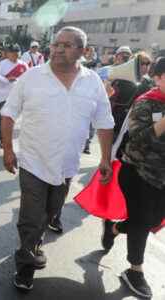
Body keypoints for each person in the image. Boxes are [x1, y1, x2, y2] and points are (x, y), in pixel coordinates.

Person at [0, 26, 115, 291]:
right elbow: (8, 114)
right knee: (31, 214)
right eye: (55, 44)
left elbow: (104, 121)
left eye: (66, 45)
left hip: (66, 166)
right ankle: (26, 264)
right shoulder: (31, 78)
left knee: (50, 212)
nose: (58, 49)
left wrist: (105, 159)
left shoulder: (92, 81)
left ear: (83, 51)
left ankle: (33, 243)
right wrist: (8, 149)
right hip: (33, 161)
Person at [100, 57, 165, 299]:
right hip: (138, 172)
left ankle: (114, 227)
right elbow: (139, 139)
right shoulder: (146, 102)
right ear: (157, 78)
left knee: (153, 221)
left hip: (162, 177)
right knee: (141, 222)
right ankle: (135, 270)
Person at [0, 43, 28, 145]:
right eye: (12, 52)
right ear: (8, 54)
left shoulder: (24, 65)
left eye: (17, 52)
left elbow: (28, 80)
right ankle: (3, 140)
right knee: (4, 118)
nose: (15, 54)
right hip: (4, 96)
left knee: (18, 119)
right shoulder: (2, 64)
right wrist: (6, 79)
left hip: (19, 97)